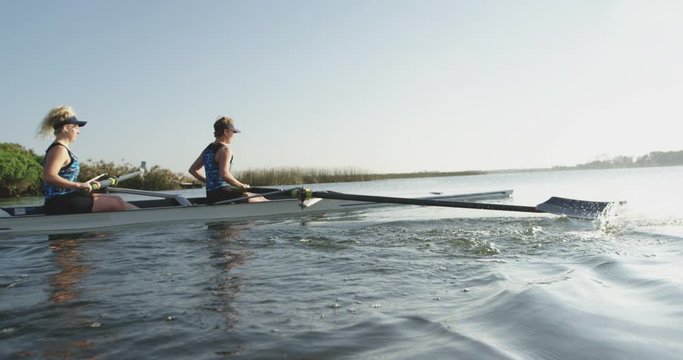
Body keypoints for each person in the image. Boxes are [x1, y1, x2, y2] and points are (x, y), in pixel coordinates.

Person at [38, 105, 135, 215]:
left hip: (66, 198)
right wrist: (78, 185)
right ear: (66, 128)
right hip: (58, 202)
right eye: (76, 127)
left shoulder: (61, 148)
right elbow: (49, 177)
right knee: (118, 203)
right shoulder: (59, 149)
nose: (78, 131)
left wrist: (83, 186)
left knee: (118, 200)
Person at [189, 116, 267, 204]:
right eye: (232, 132)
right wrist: (241, 185)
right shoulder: (225, 150)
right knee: (262, 199)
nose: (233, 135)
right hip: (223, 194)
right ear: (226, 131)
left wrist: (208, 181)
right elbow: (224, 174)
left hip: (211, 195)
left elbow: (193, 170)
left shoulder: (207, 150)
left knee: (258, 196)